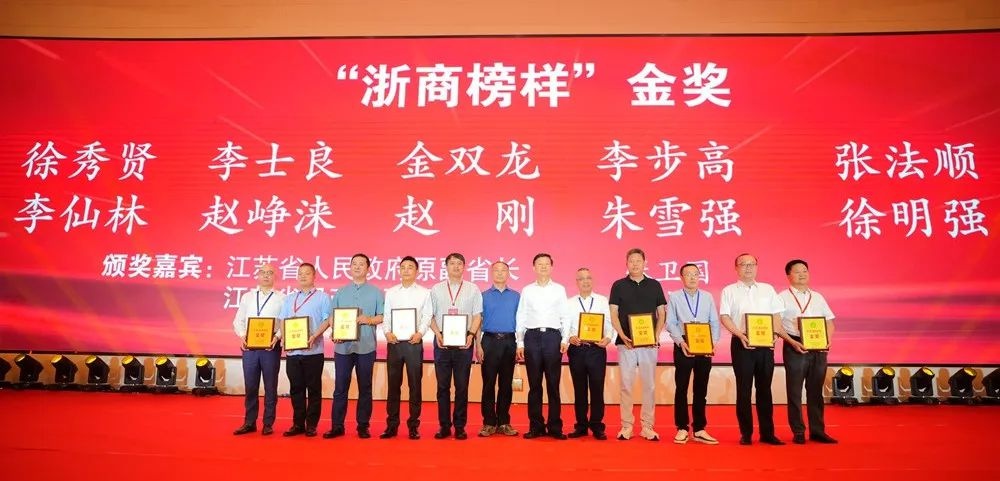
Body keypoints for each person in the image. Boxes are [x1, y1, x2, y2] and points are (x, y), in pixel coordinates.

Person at [313, 253, 384, 439]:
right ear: (350, 268)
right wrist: (335, 332)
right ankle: (337, 426)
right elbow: (332, 317)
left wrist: (368, 319)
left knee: (365, 387)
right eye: (354, 264)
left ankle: (363, 426)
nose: (357, 267)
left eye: (361, 264)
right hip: (343, 348)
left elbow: (383, 316)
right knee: (340, 388)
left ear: (368, 269)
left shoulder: (376, 292)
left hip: (366, 347)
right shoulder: (341, 292)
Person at [718, 253, 786, 446]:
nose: (748, 267)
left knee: (765, 389)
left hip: (765, 344)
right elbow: (725, 316)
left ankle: (767, 433)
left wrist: (775, 333)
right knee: (744, 389)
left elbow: (776, 314)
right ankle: (746, 433)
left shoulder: (767, 289)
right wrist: (739, 334)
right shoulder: (729, 290)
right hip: (741, 343)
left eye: (752, 264)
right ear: (736, 268)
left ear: (757, 267)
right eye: (743, 264)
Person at [777, 259, 838, 444]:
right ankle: (798, 431)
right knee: (794, 391)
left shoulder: (817, 296)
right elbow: (776, 324)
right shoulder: (782, 297)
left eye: (805, 271)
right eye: (797, 271)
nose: (802, 274)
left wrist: (827, 339)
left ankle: (818, 431)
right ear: (788, 276)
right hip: (795, 344)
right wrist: (791, 342)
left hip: (818, 346)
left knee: (816, 391)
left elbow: (829, 322)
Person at [609, 248, 666, 441]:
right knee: (626, 385)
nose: (635, 264)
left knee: (649, 386)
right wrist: (622, 335)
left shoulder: (655, 285)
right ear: (627, 263)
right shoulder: (618, 285)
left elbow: (662, 313)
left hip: (649, 345)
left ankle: (647, 426)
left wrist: (656, 335)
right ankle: (627, 426)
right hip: (626, 344)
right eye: (631, 261)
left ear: (644, 263)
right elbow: (613, 314)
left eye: (638, 261)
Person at [516, 253, 571, 440]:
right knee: (534, 385)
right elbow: (521, 316)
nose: (543, 267)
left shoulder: (559, 290)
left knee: (553, 384)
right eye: (540, 264)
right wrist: (520, 342)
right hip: (531, 337)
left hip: (553, 337)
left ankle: (555, 427)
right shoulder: (527, 290)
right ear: (534, 268)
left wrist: (564, 340)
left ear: (552, 267)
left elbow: (565, 316)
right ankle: (536, 426)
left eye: (547, 264)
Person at [429, 253, 483, 440]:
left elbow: (477, 315)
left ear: (464, 267)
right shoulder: (436, 289)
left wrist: (471, 335)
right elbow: (430, 315)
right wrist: (437, 334)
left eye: (459, 263)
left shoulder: (473, 289)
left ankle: (460, 426)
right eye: (452, 263)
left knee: (462, 387)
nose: (456, 267)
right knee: (442, 387)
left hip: (464, 344)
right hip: (442, 343)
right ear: (446, 266)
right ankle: (444, 426)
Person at [666, 263, 720, 445]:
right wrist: (680, 342)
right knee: (681, 388)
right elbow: (671, 322)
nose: (692, 277)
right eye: (688, 274)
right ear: (681, 277)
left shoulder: (707, 296)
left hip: (704, 342)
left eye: (695, 274)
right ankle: (682, 428)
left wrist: (713, 343)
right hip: (684, 343)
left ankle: (699, 429)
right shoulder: (675, 297)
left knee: (701, 388)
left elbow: (714, 321)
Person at [380, 256, 433, 440]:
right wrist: (387, 332)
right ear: (399, 270)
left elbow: (427, 316)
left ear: (417, 271)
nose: (406, 270)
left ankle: (413, 426)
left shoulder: (425, 293)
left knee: (415, 386)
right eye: (403, 267)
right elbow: (386, 316)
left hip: (413, 343)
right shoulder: (391, 292)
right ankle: (391, 425)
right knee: (393, 386)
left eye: (410, 267)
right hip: (394, 343)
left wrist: (420, 333)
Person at [232, 263, 286, 436]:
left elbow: (284, 322)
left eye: (270, 273)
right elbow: (238, 320)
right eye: (263, 272)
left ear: (275, 277)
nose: (266, 275)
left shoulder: (282, 298)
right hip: (250, 348)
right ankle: (249, 422)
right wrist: (242, 335)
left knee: (270, 386)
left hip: (271, 347)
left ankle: (268, 423)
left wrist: (277, 337)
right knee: (251, 386)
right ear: (258, 275)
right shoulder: (247, 297)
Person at [279, 262, 332, 437]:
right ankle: (298, 424)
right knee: (296, 389)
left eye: (307, 273)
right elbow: (283, 320)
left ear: (314, 276)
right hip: (293, 352)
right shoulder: (289, 299)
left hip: (313, 351)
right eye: (300, 273)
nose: (302, 276)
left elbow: (327, 320)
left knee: (314, 389)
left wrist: (314, 336)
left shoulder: (323, 298)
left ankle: (311, 425)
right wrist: (285, 339)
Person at [566, 267, 614, 440]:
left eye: (588, 278)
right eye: (581, 279)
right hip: (577, 349)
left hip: (596, 349)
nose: (585, 281)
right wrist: (570, 337)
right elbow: (565, 325)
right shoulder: (569, 302)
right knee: (579, 390)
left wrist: (608, 338)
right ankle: (581, 426)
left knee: (597, 388)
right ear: (576, 282)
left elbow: (609, 323)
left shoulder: (602, 300)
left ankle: (597, 426)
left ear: (592, 281)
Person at [476, 261, 520, 437]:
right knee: (488, 384)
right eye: (496, 270)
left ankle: (503, 422)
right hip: (489, 341)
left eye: (503, 270)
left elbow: (521, 322)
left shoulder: (516, 296)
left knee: (506, 384)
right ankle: (488, 422)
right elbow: (477, 322)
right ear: (491, 273)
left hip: (509, 342)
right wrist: (478, 345)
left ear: (508, 273)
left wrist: (520, 344)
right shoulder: (483, 296)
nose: (500, 273)